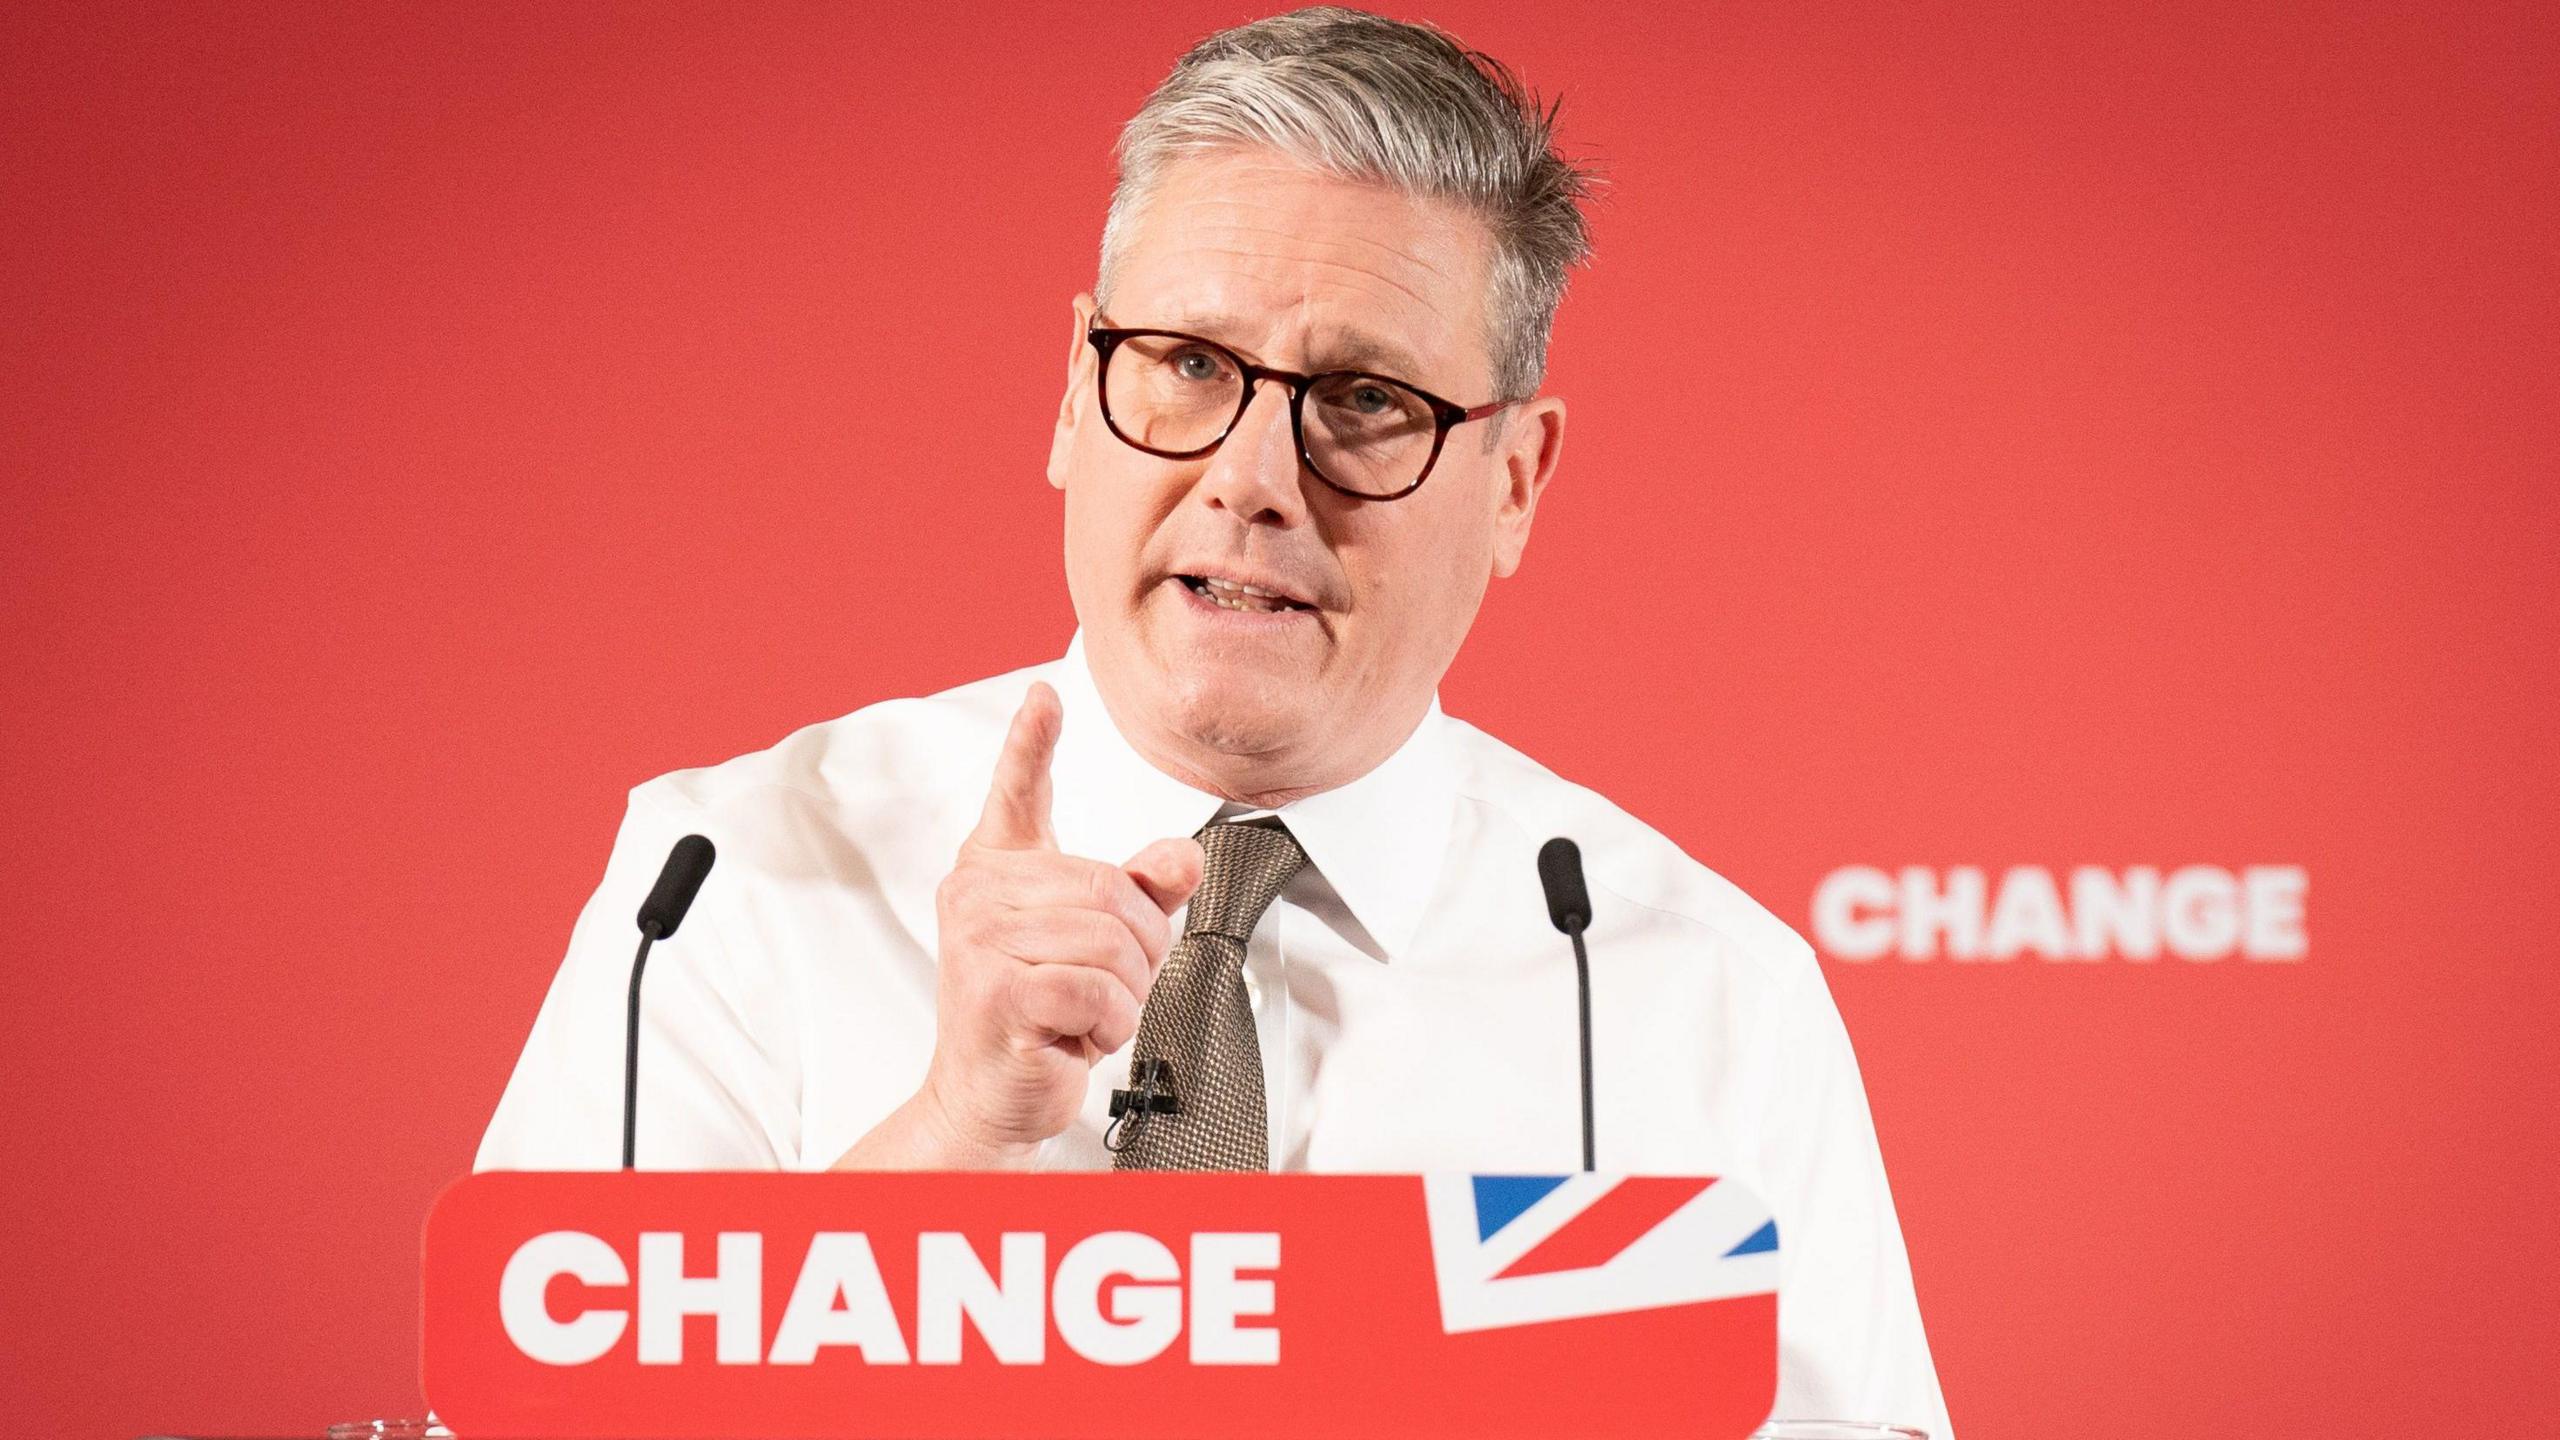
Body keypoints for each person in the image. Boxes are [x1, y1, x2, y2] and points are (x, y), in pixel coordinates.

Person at [477, 7, 1951, 1431]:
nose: (1251, 475)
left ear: (1515, 482)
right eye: (1188, 367)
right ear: (1073, 390)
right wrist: (953, 1142)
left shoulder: (1701, 996)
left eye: (1365, 397)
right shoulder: (724, 885)